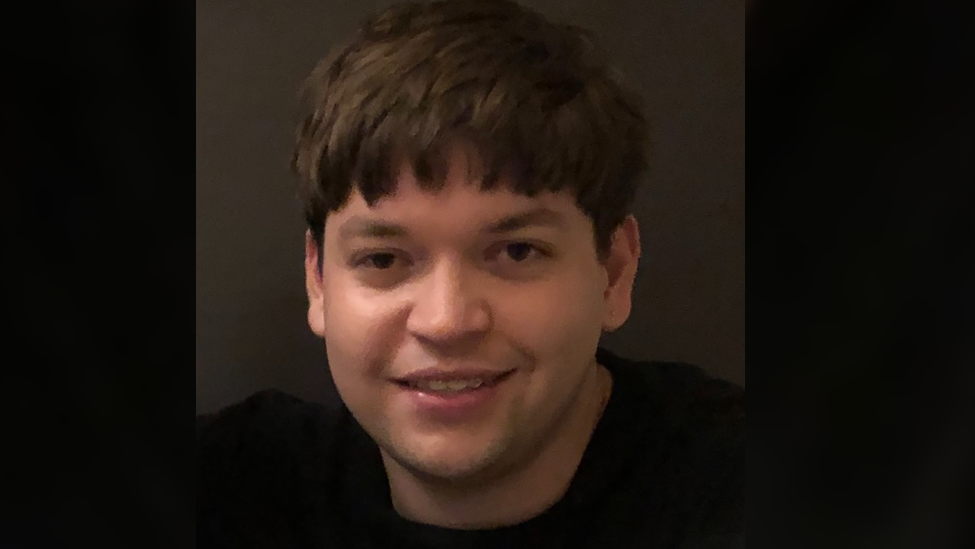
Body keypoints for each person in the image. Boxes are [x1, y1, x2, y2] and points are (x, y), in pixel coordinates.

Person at [196, 0, 744, 547]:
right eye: (383, 260)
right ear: (319, 282)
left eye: (517, 252)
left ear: (613, 274)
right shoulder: (235, 490)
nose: (447, 321)